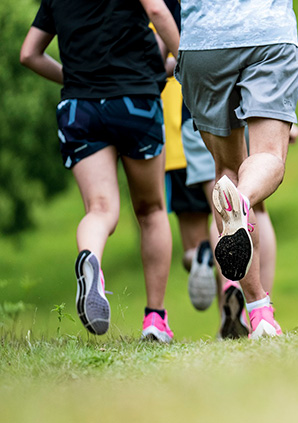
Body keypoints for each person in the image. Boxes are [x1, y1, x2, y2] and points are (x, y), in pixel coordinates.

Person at [20, 0, 180, 341]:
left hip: (80, 106)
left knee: (100, 208)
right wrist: (187, 60)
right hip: (134, 100)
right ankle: (155, 319)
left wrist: (75, 77)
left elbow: (29, 54)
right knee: (151, 210)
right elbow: (157, 11)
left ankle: (90, 257)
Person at [176, 0, 298, 338]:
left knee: (227, 171)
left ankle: (259, 311)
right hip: (267, 32)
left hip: (203, 42)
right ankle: (243, 200)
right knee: (268, 157)